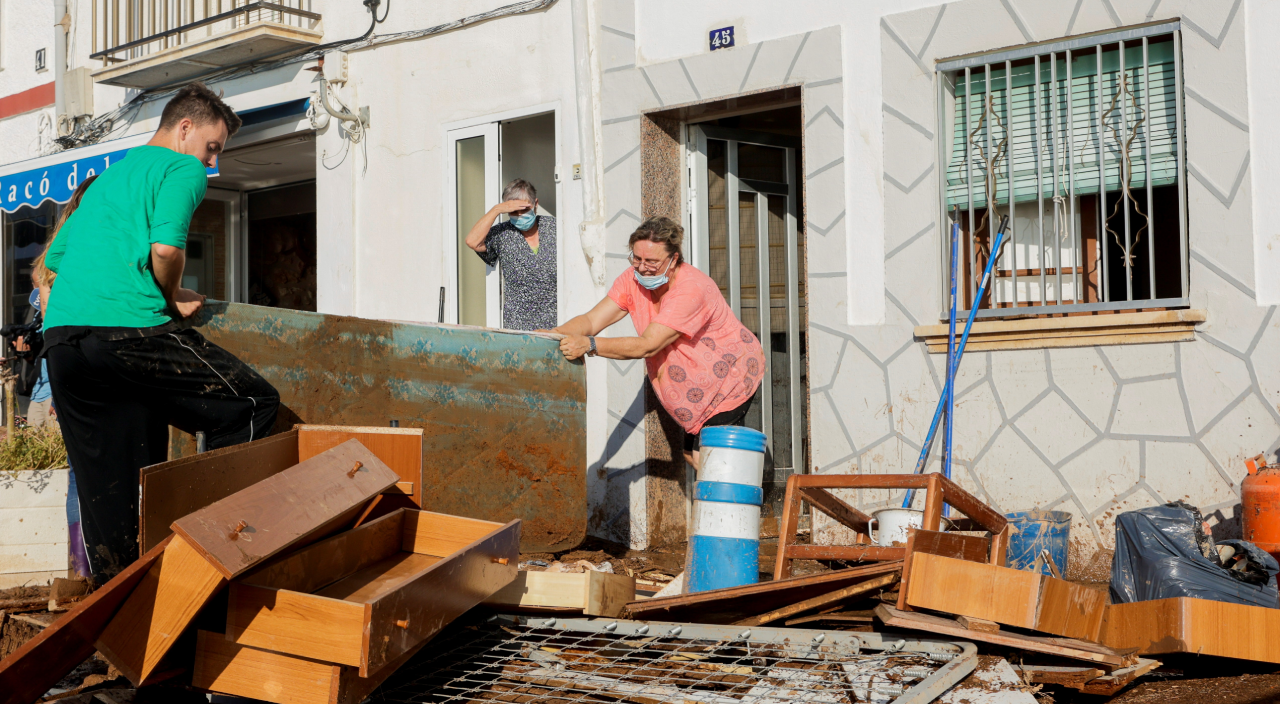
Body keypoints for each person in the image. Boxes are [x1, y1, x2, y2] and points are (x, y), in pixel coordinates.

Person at [42, 82, 280, 582]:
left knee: (111, 490)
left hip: (63, 343)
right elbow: (167, 252)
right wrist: (169, 298)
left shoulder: (109, 177)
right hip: (129, 332)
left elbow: (56, 263)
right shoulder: (182, 167)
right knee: (252, 405)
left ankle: (123, 624)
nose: (212, 162)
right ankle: (212, 556)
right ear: (185, 128)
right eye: (212, 147)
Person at [552, 216, 765, 469]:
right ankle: (732, 499)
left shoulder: (691, 289)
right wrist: (551, 334)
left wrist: (590, 345)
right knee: (693, 455)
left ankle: (740, 504)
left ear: (674, 259)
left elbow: (648, 345)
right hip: (701, 392)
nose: (642, 268)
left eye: (651, 261)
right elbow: (590, 320)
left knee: (709, 457)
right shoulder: (631, 280)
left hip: (730, 379)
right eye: (636, 258)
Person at [464, 178, 557, 330]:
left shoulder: (554, 227)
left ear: (535, 204)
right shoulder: (503, 233)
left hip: (557, 321)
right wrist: (496, 210)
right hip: (518, 324)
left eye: (524, 209)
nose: (520, 215)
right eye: (513, 211)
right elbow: (472, 241)